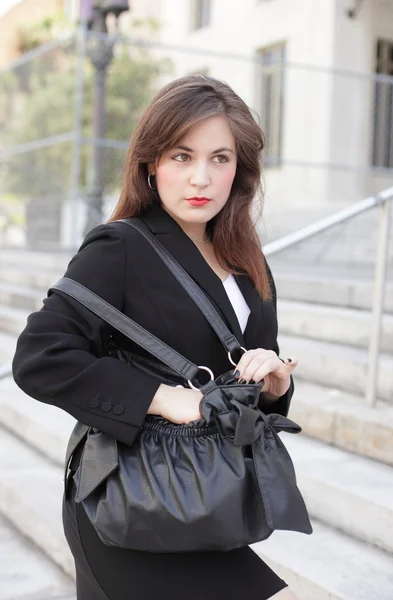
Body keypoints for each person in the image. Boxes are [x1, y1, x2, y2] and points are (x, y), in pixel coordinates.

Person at [12, 75, 300, 600]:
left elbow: (236, 389)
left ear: (240, 170)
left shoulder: (247, 264)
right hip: (131, 501)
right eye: (181, 156)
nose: (201, 178)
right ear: (151, 163)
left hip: (208, 499)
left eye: (220, 158)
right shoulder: (119, 247)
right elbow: (39, 356)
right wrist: (165, 399)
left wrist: (274, 382)